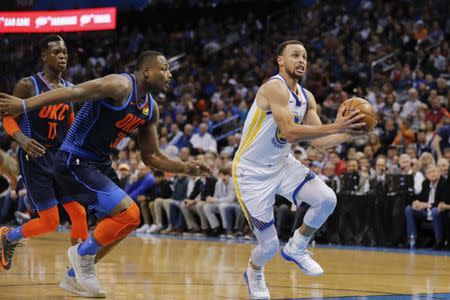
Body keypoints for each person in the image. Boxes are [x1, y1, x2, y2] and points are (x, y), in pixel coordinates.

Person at [0, 50, 210, 297]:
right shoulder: (119, 84)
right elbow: (71, 93)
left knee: (128, 222)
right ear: (146, 71)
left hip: (99, 163)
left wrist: (185, 168)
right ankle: (80, 256)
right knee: (127, 213)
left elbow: (150, 156)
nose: (169, 74)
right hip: (73, 159)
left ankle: (73, 276)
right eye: (163, 69)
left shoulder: (150, 109)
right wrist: (24, 105)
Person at [232, 40, 365, 299]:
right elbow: (290, 131)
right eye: (295, 55)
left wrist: (351, 133)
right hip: (251, 172)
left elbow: (320, 143)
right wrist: (337, 126)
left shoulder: (307, 98)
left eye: (304, 56)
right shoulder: (274, 87)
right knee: (268, 247)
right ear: (280, 60)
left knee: (327, 199)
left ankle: (297, 246)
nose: (301, 60)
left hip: (282, 164)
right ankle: (254, 271)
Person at [0, 35, 91, 295]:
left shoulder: (71, 88)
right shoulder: (28, 85)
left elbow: (71, 124)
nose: (63, 56)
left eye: (65, 52)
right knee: (49, 222)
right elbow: (8, 120)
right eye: (56, 52)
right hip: (35, 159)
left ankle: (76, 273)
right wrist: (23, 141)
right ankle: (9, 236)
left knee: (80, 214)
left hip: (61, 159)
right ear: (44, 56)